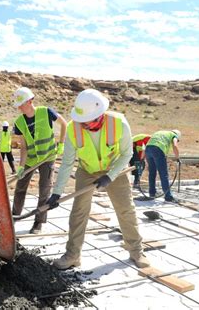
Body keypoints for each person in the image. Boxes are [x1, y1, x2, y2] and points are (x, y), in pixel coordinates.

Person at [46, 89, 150, 270]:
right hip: (86, 171)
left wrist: (109, 176)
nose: (84, 126)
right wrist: (57, 192)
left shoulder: (119, 123)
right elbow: (67, 163)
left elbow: (127, 153)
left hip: (114, 170)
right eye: (81, 122)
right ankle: (72, 255)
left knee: (126, 210)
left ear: (100, 115)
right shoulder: (73, 128)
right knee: (78, 212)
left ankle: (136, 251)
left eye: (88, 122)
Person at [11, 87, 67, 234]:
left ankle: (38, 223)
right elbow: (23, 146)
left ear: (30, 101)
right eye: (18, 105)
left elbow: (64, 124)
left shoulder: (46, 112)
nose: (19, 108)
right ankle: (14, 217)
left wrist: (61, 143)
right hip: (30, 159)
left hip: (48, 158)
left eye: (21, 104)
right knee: (20, 188)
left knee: (44, 190)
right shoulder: (19, 122)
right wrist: (21, 167)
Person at [145, 129, 181, 202]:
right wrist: (177, 158)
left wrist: (143, 158)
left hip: (148, 149)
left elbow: (150, 143)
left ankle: (152, 193)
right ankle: (168, 196)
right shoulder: (174, 136)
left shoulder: (161, 133)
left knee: (152, 173)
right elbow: (175, 145)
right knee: (163, 174)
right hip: (158, 149)